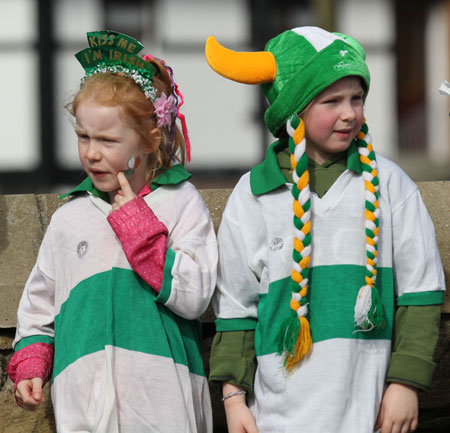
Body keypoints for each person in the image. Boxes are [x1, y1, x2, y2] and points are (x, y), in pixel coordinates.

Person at [205, 26, 445, 433]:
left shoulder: (390, 184)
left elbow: (422, 290)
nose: (349, 113)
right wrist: (233, 399)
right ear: (293, 112)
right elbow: (235, 310)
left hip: (370, 416)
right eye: (331, 101)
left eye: (356, 98)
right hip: (276, 420)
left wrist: (405, 383)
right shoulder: (252, 196)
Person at [7, 30, 217, 433]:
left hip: (162, 408)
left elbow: (195, 295)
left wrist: (141, 233)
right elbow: (38, 308)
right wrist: (33, 361)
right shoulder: (69, 219)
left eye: (107, 139)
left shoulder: (180, 201)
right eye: (83, 137)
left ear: (151, 138)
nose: (91, 152)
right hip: (81, 407)